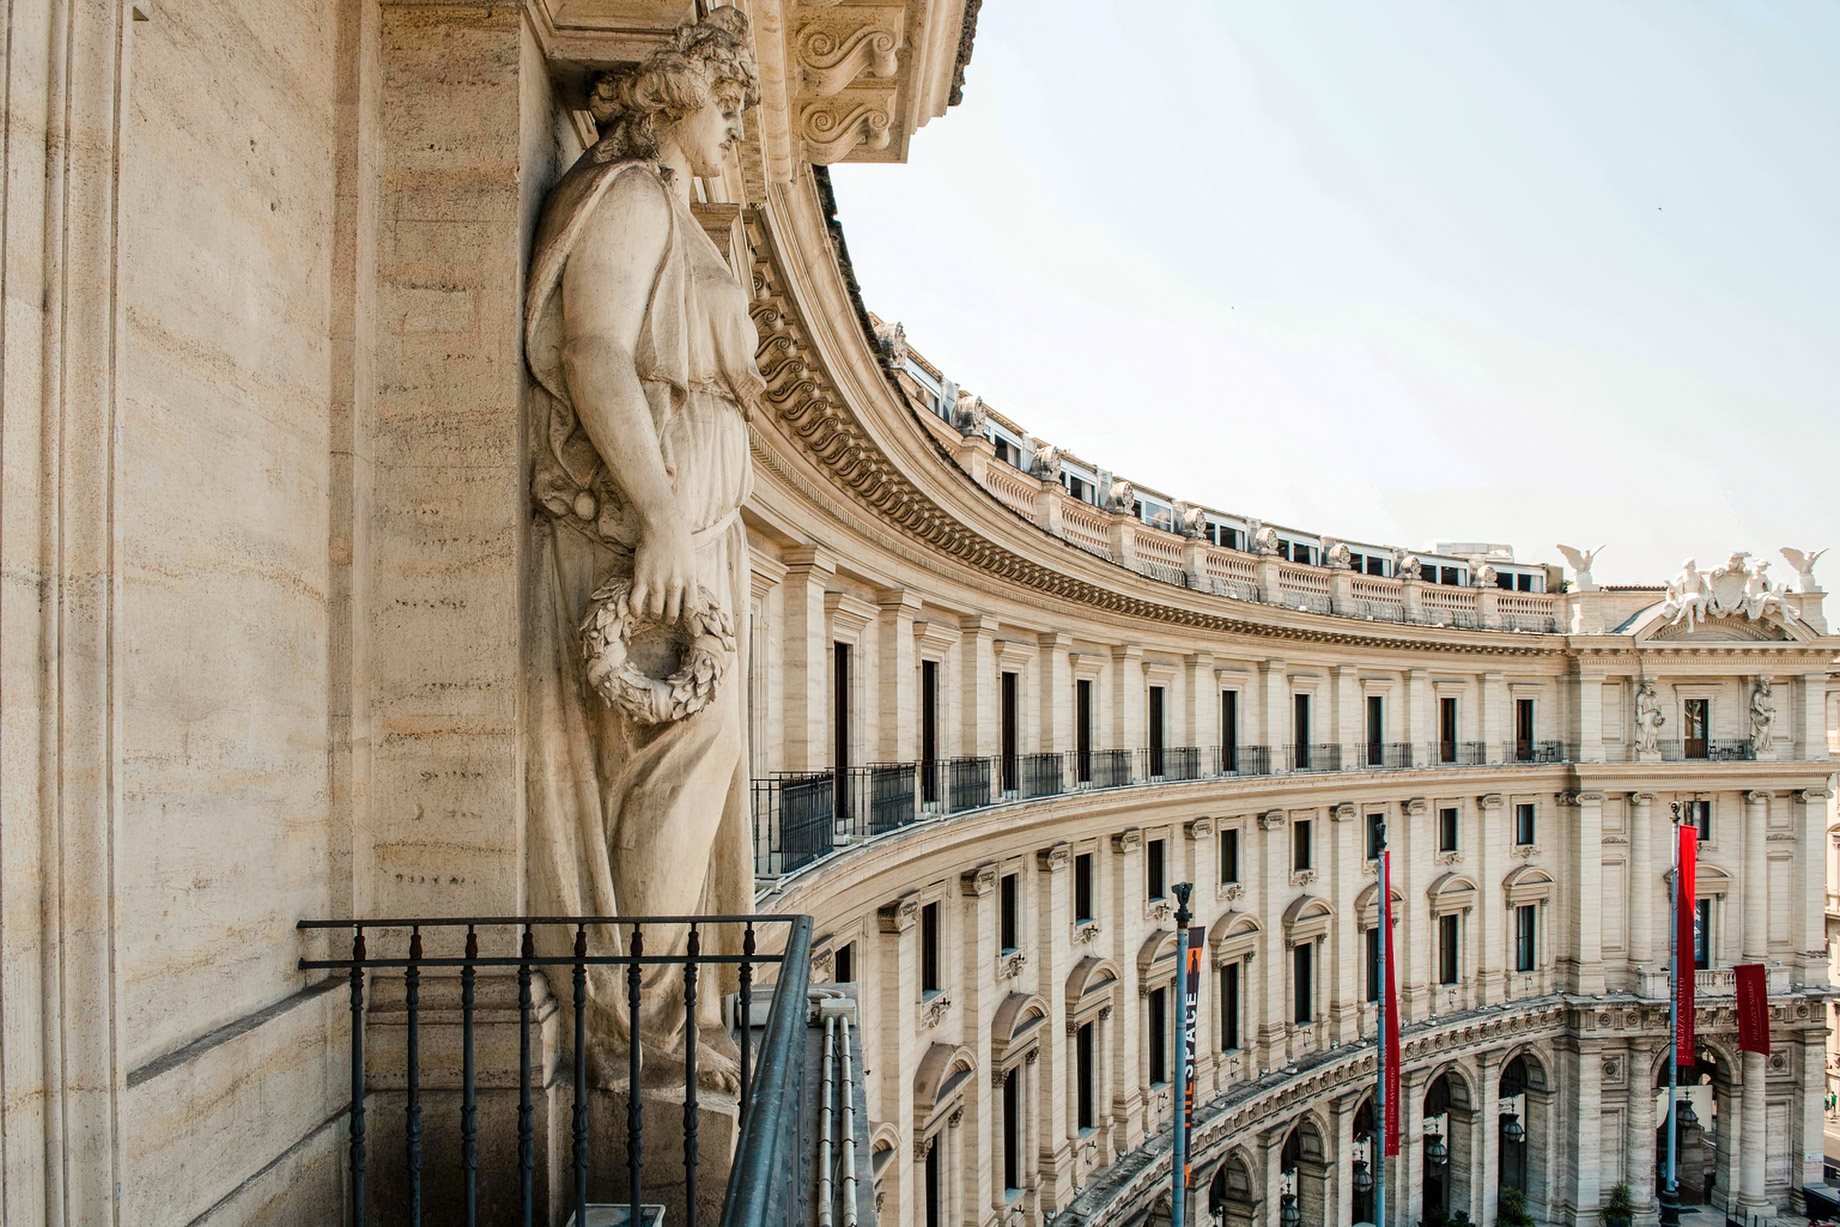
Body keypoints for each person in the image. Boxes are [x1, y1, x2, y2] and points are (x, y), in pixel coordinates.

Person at [523, 7, 764, 1088]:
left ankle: (661, 1019)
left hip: (694, 534)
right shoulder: (627, 196)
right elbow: (595, 352)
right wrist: (664, 516)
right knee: (672, 766)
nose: (741, 128)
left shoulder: (680, 211)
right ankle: (642, 1037)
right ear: (671, 98)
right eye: (730, 104)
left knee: (691, 771)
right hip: (645, 534)